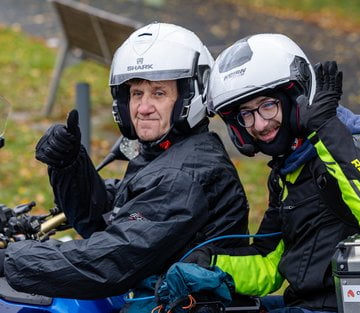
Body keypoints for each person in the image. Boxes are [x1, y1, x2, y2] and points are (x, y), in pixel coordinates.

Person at [0, 22, 249, 302]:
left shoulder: (185, 174)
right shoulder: (170, 151)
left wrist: (9, 259)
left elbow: (109, 261)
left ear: (190, 95)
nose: (142, 108)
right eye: (136, 93)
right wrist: (69, 166)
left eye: (158, 93)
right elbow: (113, 215)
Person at [185, 34, 360, 313]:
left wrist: (326, 128)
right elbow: (269, 265)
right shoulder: (287, 172)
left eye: (268, 105)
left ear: (297, 99)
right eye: (246, 114)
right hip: (305, 305)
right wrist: (206, 265)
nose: (259, 124)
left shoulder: (357, 150)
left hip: (351, 304)